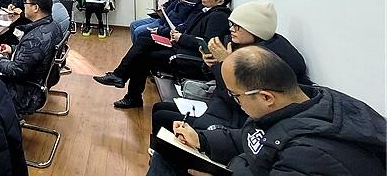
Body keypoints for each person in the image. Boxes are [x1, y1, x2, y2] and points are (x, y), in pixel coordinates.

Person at [148, 47, 387, 176]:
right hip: (246, 166)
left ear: (266, 97)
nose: (236, 102)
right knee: (169, 153)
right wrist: (202, 140)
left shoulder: (309, 155)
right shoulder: (304, 102)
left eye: (236, 96)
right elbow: (252, 139)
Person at [150, 0, 310, 135]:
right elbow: (217, 83)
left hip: (234, 121)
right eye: (231, 24)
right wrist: (210, 64)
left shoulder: (266, 60)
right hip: (219, 107)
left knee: (161, 116)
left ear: (255, 30)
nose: (232, 29)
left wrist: (225, 63)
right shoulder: (237, 44)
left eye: (237, 26)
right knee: (159, 108)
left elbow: (235, 97)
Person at [93, 0, 233, 109]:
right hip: (180, 46)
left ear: (220, 1)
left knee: (141, 57)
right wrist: (177, 33)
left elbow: (207, 44)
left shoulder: (218, 17)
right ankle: (119, 76)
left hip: (187, 57)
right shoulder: (208, 11)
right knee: (143, 40)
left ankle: (128, 90)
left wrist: (181, 37)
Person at [0, 0, 64, 114]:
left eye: (26, 3)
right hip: (41, 80)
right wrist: (13, 49)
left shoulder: (35, 38)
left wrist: (0, 60)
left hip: (26, 92)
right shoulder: (53, 26)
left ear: (35, 8)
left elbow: (16, 71)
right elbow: (35, 54)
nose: (24, 6)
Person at [131, 0, 204, 42]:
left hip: (170, 28)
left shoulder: (199, 5)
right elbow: (169, 6)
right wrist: (162, 14)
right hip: (163, 20)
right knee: (133, 25)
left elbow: (184, 27)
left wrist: (161, 30)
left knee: (139, 31)